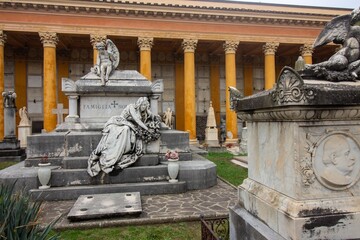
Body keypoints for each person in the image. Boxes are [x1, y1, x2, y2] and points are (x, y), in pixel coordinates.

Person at [87, 97, 161, 177]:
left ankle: (120, 150)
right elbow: (137, 120)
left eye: (145, 106)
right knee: (125, 129)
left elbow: (153, 117)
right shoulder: (131, 107)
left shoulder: (144, 112)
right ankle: (111, 155)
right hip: (121, 122)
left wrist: (155, 122)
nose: (143, 107)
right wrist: (147, 129)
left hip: (131, 126)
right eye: (142, 105)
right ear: (139, 104)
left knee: (128, 130)